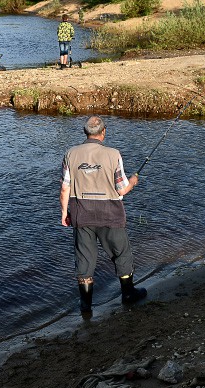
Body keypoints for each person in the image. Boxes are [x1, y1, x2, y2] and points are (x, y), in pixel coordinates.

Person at [60, 116, 147, 316]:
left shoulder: (70, 154)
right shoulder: (113, 154)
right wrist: (133, 181)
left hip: (81, 215)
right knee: (121, 254)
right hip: (110, 214)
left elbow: (65, 188)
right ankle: (128, 294)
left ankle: (85, 307)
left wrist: (65, 213)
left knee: (84, 261)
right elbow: (122, 189)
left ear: (85, 132)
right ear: (103, 132)